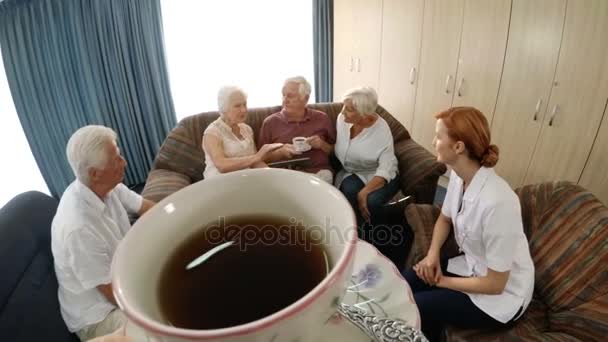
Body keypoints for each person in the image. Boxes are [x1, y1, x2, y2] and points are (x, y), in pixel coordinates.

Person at [402, 107, 535, 341]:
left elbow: (496, 284)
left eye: (438, 136)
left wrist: (441, 281)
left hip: (501, 296)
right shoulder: (457, 175)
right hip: (472, 266)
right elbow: (445, 218)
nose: (433, 141)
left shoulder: (499, 203)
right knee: (407, 282)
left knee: (418, 306)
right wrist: (432, 256)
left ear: (458, 147)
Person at [51, 125, 156, 341]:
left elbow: (149, 208)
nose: (124, 162)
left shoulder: (109, 186)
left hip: (123, 275)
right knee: (163, 324)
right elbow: (113, 294)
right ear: (95, 173)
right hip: (99, 315)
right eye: (117, 159)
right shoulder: (78, 227)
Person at [334, 87, 400, 232]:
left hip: (379, 172)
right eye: (344, 106)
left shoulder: (381, 130)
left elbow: (386, 166)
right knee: (349, 189)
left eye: (349, 109)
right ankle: (355, 233)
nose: (343, 111)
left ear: (364, 114)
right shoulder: (342, 120)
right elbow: (340, 149)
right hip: (354, 171)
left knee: (372, 201)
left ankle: (380, 239)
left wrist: (364, 192)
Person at [258, 76, 336, 183]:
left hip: (318, 173)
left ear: (306, 98)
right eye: (283, 95)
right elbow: (260, 158)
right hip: (285, 175)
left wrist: (322, 145)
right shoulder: (270, 122)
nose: (285, 100)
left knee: (323, 180)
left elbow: (335, 151)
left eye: (290, 96)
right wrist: (280, 152)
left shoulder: (322, 118)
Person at [202, 86, 282, 179]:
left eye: (245, 104)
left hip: (244, 179)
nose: (244, 110)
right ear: (224, 109)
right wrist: (257, 156)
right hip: (219, 182)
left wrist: (273, 175)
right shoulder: (212, 132)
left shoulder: (247, 129)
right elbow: (221, 165)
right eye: (237, 106)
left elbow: (255, 163)